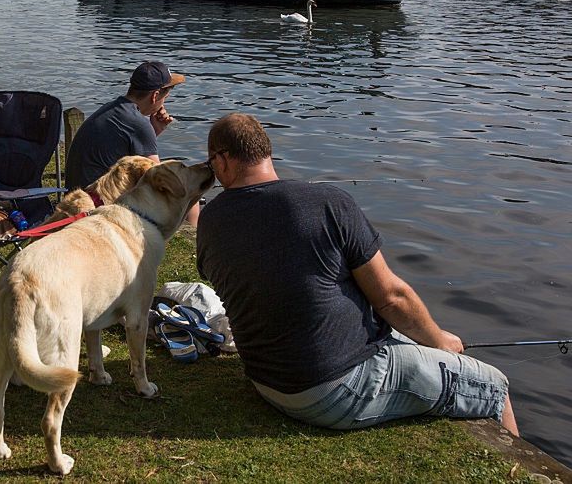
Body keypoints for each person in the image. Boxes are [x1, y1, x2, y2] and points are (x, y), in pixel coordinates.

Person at [196, 113, 518, 434]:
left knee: (406, 339)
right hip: (336, 390)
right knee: (495, 389)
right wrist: (440, 341)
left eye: (211, 165)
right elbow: (391, 298)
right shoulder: (327, 203)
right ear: (265, 152)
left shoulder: (209, 222)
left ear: (223, 160)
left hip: (266, 382)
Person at [65, 61, 200, 225]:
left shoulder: (112, 109)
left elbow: (134, 160)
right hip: (96, 209)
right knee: (190, 191)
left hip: (76, 199)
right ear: (155, 95)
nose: (164, 104)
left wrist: (155, 130)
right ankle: (193, 240)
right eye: (165, 97)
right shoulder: (138, 124)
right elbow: (159, 179)